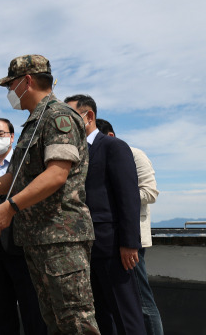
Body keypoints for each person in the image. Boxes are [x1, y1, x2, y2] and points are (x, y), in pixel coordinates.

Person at [0, 55, 99, 334]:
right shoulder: (34, 122)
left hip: (61, 240)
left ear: (27, 81)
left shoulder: (58, 116)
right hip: (38, 240)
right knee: (53, 321)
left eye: (11, 85)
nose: (9, 93)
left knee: (75, 322)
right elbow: (14, 178)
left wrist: (10, 207)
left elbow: (56, 174)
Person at [65, 95, 145, 335]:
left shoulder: (113, 147)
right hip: (81, 249)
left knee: (126, 313)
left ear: (89, 116)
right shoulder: (70, 153)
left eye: (69, 117)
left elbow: (128, 197)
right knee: (98, 316)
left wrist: (129, 243)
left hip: (112, 247)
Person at [0, 118, 46, 335]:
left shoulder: (25, 163)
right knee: (0, 307)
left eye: (1, 133)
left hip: (24, 244)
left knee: (32, 305)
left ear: (12, 137)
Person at [96, 119, 164, 335]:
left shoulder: (134, 154)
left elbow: (150, 192)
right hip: (106, 240)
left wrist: (119, 196)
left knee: (142, 302)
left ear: (111, 136)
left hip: (131, 238)